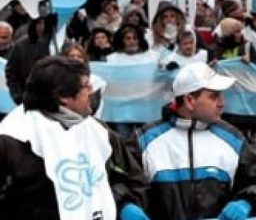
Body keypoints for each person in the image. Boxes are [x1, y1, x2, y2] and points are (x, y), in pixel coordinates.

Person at [0, 57, 147, 219]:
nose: (92, 90)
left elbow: (133, 180)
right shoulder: (12, 139)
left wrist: (120, 203)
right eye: (86, 85)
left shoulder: (99, 131)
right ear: (64, 97)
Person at [134, 62, 256, 219]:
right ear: (189, 100)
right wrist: (126, 205)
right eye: (213, 96)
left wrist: (247, 201)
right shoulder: (144, 140)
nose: (222, 103)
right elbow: (123, 186)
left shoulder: (234, 139)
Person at [5, 14, 53, 104]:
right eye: (39, 23)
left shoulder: (56, 45)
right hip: (27, 99)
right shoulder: (21, 46)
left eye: (44, 23)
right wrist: (18, 96)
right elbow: (11, 73)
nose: (41, 27)